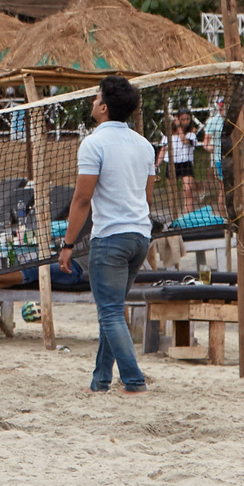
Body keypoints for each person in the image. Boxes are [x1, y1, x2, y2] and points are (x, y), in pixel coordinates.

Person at [57, 74, 156, 394]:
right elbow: (147, 197)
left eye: (95, 97)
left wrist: (68, 244)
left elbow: (82, 199)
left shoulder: (94, 143)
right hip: (140, 236)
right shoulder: (144, 145)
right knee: (111, 309)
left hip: (111, 238)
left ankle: (134, 380)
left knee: (110, 312)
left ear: (103, 107)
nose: (91, 101)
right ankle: (100, 381)